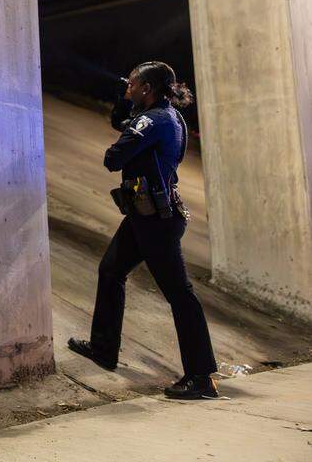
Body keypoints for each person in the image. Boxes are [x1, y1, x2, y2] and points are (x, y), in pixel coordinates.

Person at [68, 61, 219, 400]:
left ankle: (201, 377)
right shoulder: (172, 117)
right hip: (147, 214)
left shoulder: (152, 120)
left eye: (133, 85)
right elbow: (125, 126)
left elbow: (114, 158)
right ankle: (103, 349)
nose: (129, 88)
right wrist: (125, 106)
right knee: (110, 271)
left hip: (157, 222)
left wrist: (128, 124)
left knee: (180, 294)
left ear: (147, 89)